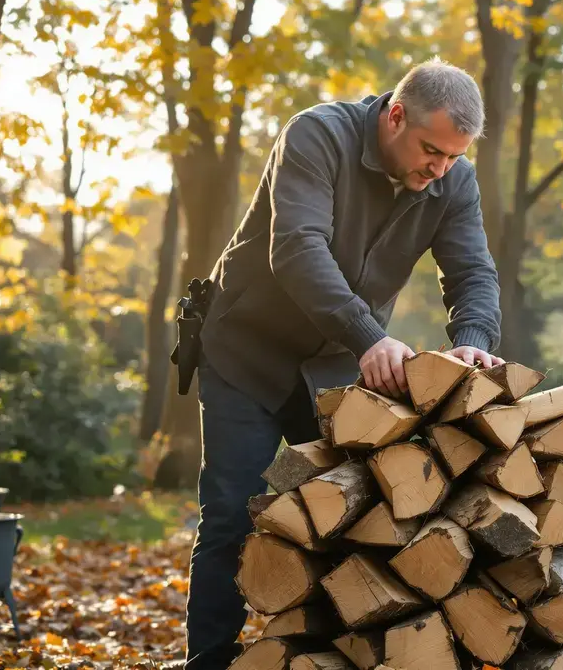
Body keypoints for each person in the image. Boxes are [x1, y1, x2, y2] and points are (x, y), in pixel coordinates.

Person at [182, 58, 504, 669]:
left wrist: (473, 337)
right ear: (396, 114)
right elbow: (297, 248)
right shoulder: (316, 135)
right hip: (245, 353)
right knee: (231, 514)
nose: (439, 170)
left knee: (352, 517)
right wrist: (367, 335)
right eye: (431, 151)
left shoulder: (452, 180)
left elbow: (472, 271)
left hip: (333, 365)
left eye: (454, 158)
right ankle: (209, 661)